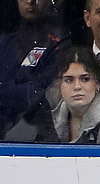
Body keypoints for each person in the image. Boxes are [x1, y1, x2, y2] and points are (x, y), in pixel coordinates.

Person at [5, 46, 100, 144]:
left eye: (85, 79)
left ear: (97, 83)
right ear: (59, 85)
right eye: (69, 80)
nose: (77, 86)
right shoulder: (50, 119)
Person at [0, 0, 71, 137]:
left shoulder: (61, 44)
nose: (30, 1)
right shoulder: (5, 43)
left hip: (36, 136)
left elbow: (37, 93)